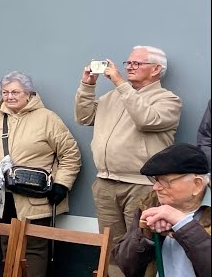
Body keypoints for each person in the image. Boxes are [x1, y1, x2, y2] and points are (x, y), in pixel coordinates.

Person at [76, 46, 182, 277]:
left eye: (137, 63)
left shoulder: (168, 100)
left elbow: (146, 120)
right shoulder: (113, 96)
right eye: (128, 63)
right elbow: (84, 117)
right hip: (105, 182)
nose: (130, 67)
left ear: (156, 70)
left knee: (141, 248)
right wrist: (88, 85)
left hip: (141, 185)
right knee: (113, 248)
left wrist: (120, 84)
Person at [0, 71, 80, 277]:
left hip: (34, 197)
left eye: (15, 91)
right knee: (6, 243)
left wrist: (62, 184)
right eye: (5, 92)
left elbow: (71, 154)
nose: (9, 96)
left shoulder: (47, 118)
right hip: (1, 197)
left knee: (34, 248)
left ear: (29, 93)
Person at [112, 143, 210, 277]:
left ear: (197, 185)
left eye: (165, 181)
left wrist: (184, 225)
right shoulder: (150, 204)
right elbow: (126, 266)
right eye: (156, 180)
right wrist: (146, 235)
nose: (156, 187)